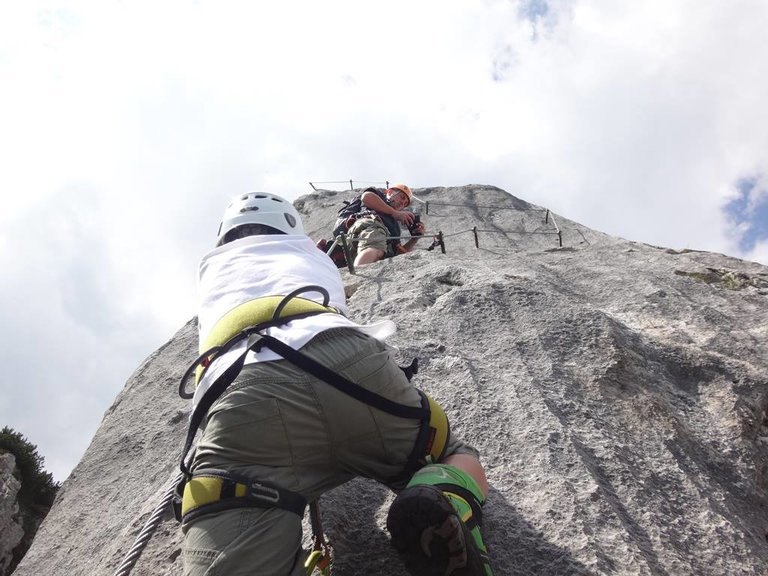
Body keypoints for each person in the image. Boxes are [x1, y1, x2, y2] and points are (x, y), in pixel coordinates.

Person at [179, 192, 493, 576]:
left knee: (227, 519)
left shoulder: (210, 268)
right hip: (351, 365)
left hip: (245, 394)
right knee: (452, 452)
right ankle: (445, 495)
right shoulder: (308, 253)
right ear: (292, 226)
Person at [344, 184, 426, 267]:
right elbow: (366, 197)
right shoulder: (380, 198)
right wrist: (395, 213)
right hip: (371, 226)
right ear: (390, 192)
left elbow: (398, 253)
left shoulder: (395, 226)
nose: (402, 203)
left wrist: (414, 239)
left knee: (378, 251)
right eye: (402, 197)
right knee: (376, 249)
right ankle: (358, 278)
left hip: (364, 241)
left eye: (405, 204)